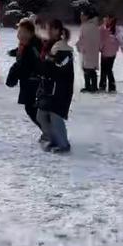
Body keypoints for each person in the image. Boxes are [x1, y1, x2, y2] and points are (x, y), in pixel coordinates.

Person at [36, 19, 74, 154]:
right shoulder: (48, 46)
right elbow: (43, 66)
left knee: (55, 116)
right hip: (48, 88)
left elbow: (58, 66)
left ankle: (63, 144)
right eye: (48, 28)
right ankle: (53, 139)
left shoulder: (63, 49)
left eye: (53, 28)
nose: (50, 31)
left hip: (60, 90)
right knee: (41, 115)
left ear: (60, 31)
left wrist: (48, 61)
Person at [6, 18, 44, 138]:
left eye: (22, 32)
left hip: (34, 82)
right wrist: (14, 52)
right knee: (32, 109)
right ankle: (47, 131)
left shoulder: (33, 46)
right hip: (29, 82)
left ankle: (49, 132)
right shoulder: (26, 45)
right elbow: (22, 55)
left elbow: (26, 66)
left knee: (32, 109)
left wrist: (13, 75)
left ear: (30, 33)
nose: (19, 35)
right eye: (19, 32)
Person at [99, 15, 123, 93]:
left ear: (111, 20)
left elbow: (121, 41)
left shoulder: (116, 30)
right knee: (103, 69)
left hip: (111, 53)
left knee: (108, 69)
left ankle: (112, 87)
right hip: (104, 52)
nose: (105, 20)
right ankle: (102, 86)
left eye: (107, 19)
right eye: (105, 19)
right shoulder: (101, 28)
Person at [76, 7, 101, 93]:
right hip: (90, 50)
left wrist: (80, 46)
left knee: (88, 68)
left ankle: (92, 86)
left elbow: (85, 39)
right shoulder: (92, 25)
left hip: (88, 50)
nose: (81, 17)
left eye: (82, 15)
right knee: (88, 68)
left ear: (86, 16)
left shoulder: (88, 26)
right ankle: (90, 86)